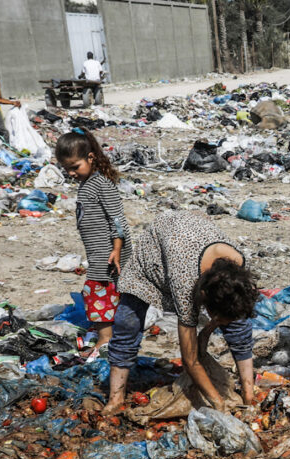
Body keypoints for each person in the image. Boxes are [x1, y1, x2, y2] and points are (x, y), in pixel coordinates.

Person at [103, 212, 259, 414]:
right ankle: (116, 398)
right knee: (128, 320)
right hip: (158, 247)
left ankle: (249, 392)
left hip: (192, 234)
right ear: (203, 297)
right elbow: (190, 360)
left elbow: (234, 317)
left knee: (238, 326)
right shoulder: (185, 282)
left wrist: (248, 399)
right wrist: (218, 404)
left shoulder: (237, 263)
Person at [55, 131, 132, 359]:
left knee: (97, 295)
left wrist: (117, 249)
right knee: (105, 295)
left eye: (75, 167)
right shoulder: (88, 183)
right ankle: (110, 336)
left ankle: (106, 339)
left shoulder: (101, 184)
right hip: (99, 254)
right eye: (66, 168)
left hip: (109, 254)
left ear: (90, 158)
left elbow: (117, 220)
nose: (71, 173)